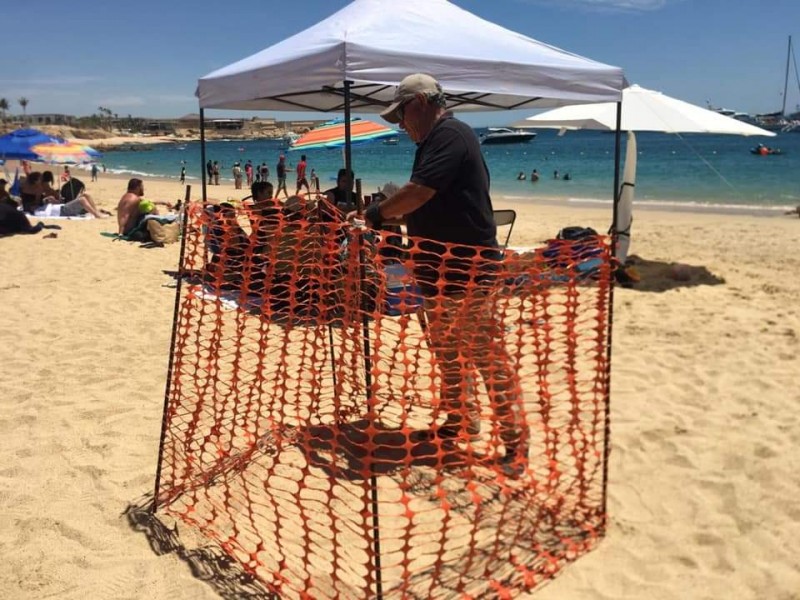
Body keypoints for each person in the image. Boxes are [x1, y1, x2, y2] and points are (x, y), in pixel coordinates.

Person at [354, 73, 529, 477]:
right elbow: (423, 199)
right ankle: (462, 420)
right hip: (435, 273)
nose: (399, 123)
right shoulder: (431, 141)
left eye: (401, 112)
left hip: (468, 273)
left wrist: (378, 213)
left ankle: (515, 442)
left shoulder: (452, 134)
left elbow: (420, 192)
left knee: (487, 357)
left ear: (420, 102)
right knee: (448, 352)